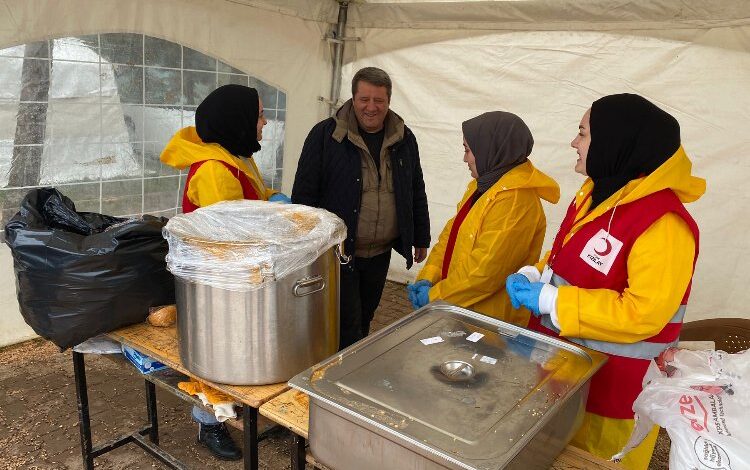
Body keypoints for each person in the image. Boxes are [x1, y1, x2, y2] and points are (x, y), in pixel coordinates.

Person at [506, 93, 705, 469]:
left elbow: (643, 313)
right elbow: (567, 257)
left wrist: (551, 302)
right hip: (566, 376)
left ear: (617, 142)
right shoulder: (596, 195)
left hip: (613, 400)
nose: (573, 143)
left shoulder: (664, 225)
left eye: (582, 133)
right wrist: (537, 272)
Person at [161, 84, 289, 461]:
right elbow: (230, 233)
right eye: (260, 115)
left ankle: (235, 409)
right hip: (219, 276)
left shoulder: (235, 155)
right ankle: (209, 421)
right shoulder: (215, 169)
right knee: (218, 351)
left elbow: (252, 198)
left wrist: (273, 200)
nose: (265, 122)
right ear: (239, 122)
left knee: (242, 348)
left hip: (239, 274)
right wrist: (274, 217)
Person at [292, 67, 430, 349]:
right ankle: (335, 375)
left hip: (379, 253)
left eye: (379, 100)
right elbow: (304, 195)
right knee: (347, 324)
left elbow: (415, 188)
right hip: (339, 253)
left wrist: (420, 235)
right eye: (364, 99)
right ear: (353, 99)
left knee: (365, 316)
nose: (371, 107)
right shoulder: (325, 136)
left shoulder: (405, 138)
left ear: (389, 101)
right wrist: (304, 245)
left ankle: (346, 365)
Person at [407, 111, 559, 327]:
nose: (465, 158)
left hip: (487, 325)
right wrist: (429, 276)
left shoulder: (515, 202)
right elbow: (450, 236)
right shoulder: (484, 187)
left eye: (468, 150)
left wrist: (435, 296)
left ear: (490, 150)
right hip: (459, 311)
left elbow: (484, 273)